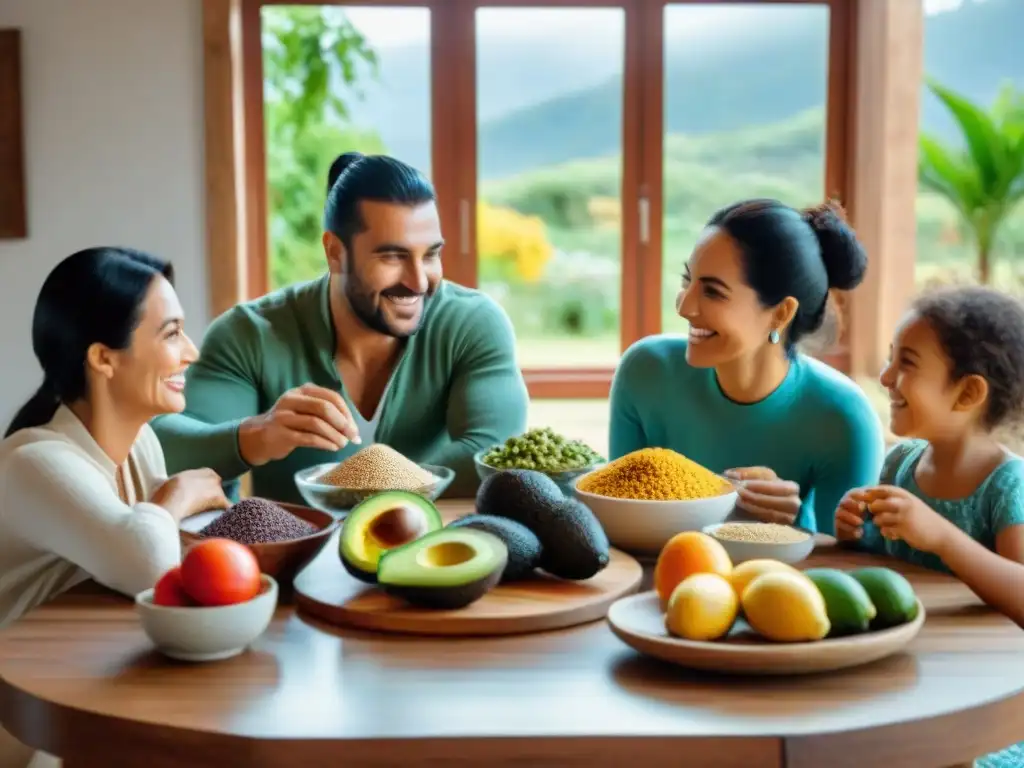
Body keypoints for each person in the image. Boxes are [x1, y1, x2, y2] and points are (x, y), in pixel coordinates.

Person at [151, 152, 528, 503]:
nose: (418, 281)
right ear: (335, 252)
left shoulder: (472, 324)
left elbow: (495, 454)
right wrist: (257, 435)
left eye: (430, 254)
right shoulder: (250, 334)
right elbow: (161, 448)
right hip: (293, 567)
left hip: (434, 558)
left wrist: (375, 486)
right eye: (393, 256)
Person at [608, 198, 885, 534]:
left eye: (712, 291)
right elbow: (618, 521)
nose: (684, 306)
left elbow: (846, 569)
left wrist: (791, 525)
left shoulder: (842, 417)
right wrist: (720, 501)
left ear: (781, 313)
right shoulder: (646, 372)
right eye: (687, 280)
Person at [0, 247, 230, 627]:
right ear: (103, 358)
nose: (192, 351)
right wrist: (178, 495)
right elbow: (149, 565)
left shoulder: (142, 442)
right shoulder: (33, 463)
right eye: (172, 333)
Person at [835, 286, 1024, 628]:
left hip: (982, 667)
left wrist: (942, 537)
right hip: (907, 650)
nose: (885, 377)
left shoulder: (1008, 487)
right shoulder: (900, 463)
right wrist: (856, 532)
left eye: (906, 363)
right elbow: (890, 566)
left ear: (967, 392)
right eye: (891, 358)